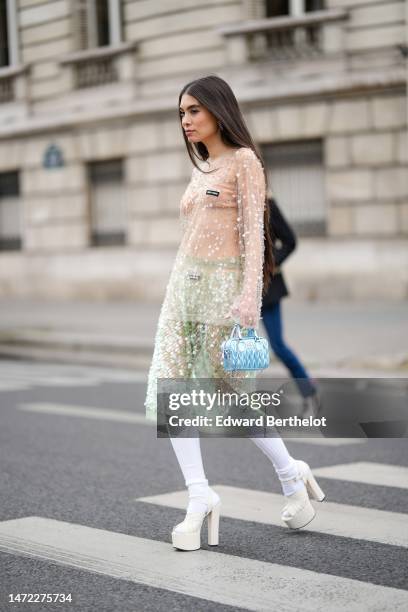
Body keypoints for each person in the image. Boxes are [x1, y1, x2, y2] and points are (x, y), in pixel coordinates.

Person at [144, 75, 325, 551]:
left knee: (233, 396)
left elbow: (252, 237)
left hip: (224, 292)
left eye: (193, 111)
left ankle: (290, 473)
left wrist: (248, 299)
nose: (185, 121)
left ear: (218, 110)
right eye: (181, 113)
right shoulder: (203, 165)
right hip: (183, 290)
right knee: (174, 390)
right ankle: (199, 496)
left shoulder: (244, 162)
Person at [262, 197, 321, 417]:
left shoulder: (266, 204)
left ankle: (309, 390)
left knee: (277, 346)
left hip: (266, 289)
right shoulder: (231, 203)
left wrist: (269, 264)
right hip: (237, 290)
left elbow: (290, 241)